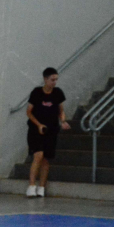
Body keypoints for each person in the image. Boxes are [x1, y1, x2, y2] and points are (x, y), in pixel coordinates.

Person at [25, 67, 69, 198]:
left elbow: (61, 111)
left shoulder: (58, 93)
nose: (54, 82)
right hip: (36, 130)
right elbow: (28, 112)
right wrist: (38, 125)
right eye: (52, 80)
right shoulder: (37, 92)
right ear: (45, 79)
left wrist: (63, 121)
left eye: (56, 80)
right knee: (38, 156)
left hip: (51, 130)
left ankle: (42, 187)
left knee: (45, 159)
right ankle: (31, 186)